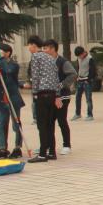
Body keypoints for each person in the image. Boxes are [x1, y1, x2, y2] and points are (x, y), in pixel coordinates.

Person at [26, 35, 60, 163]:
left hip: (42, 93)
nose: (28, 48)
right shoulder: (51, 57)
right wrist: (57, 94)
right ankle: (52, 152)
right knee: (50, 124)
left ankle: (42, 154)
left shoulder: (35, 57)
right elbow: (56, 77)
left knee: (42, 125)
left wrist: (34, 92)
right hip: (52, 94)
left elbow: (35, 76)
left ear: (33, 45)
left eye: (29, 45)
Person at [72, 46, 95, 121]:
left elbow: (93, 71)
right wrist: (78, 76)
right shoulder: (78, 58)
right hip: (80, 80)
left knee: (88, 99)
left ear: (83, 53)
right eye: (78, 56)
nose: (79, 57)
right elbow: (79, 68)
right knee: (77, 98)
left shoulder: (90, 59)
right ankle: (77, 114)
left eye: (80, 55)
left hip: (87, 81)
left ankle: (90, 115)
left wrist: (88, 79)